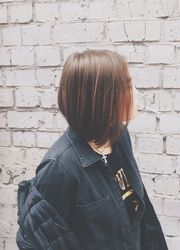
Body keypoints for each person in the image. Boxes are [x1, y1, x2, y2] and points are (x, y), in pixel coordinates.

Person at [16, 49, 168, 250]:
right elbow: (33, 241)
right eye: (129, 86)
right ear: (102, 97)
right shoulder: (60, 167)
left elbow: (140, 216)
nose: (136, 93)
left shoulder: (119, 137)